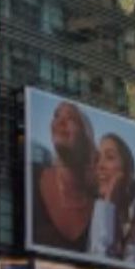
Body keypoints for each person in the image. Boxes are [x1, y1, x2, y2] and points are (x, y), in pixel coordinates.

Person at [32, 102, 97, 254]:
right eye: (56, 115)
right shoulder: (32, 175)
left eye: (71, 118)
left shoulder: (98, 205)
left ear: (86, 137)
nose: (60, 122)